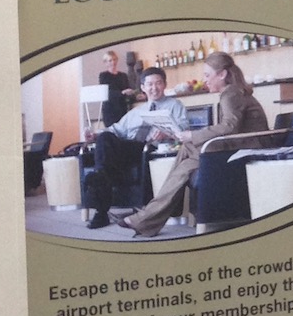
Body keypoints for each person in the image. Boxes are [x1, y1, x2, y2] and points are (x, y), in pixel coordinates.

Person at [116, 51, 268, 238]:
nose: (205, 80)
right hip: (239, 144)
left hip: (245, 149)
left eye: (207, 75)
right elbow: (231, 127)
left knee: (187, 161)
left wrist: (192, 135)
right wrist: (192, 138)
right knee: (186, 150)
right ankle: (153, 214)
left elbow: (230, 126)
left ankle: (150, 216)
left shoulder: (231, 94)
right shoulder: (234, 91)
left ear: (222, 74)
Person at [80, 69, 190, 230]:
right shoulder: (136, 111)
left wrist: (168, 133)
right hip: (128, 150)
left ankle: (101, 207)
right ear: (143, 87)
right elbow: (115, 129)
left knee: (106, 161)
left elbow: (184, 131)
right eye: (150, 84)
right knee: (105, 137)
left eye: (158, 83)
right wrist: (94, 136)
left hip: (150, 150)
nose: (154, 88)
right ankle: (101, 179)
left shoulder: (175, 105)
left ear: (165, 84)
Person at [97, 50, 133, 128]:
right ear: (105, 63)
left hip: (122, 108)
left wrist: (134, 94)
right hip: (110, 109)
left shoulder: (123, 75)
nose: (113, 62)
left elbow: (128, 89)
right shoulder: (103, 76)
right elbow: (107, 92)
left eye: (114, 59)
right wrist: (122, 93)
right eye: (110, 60)